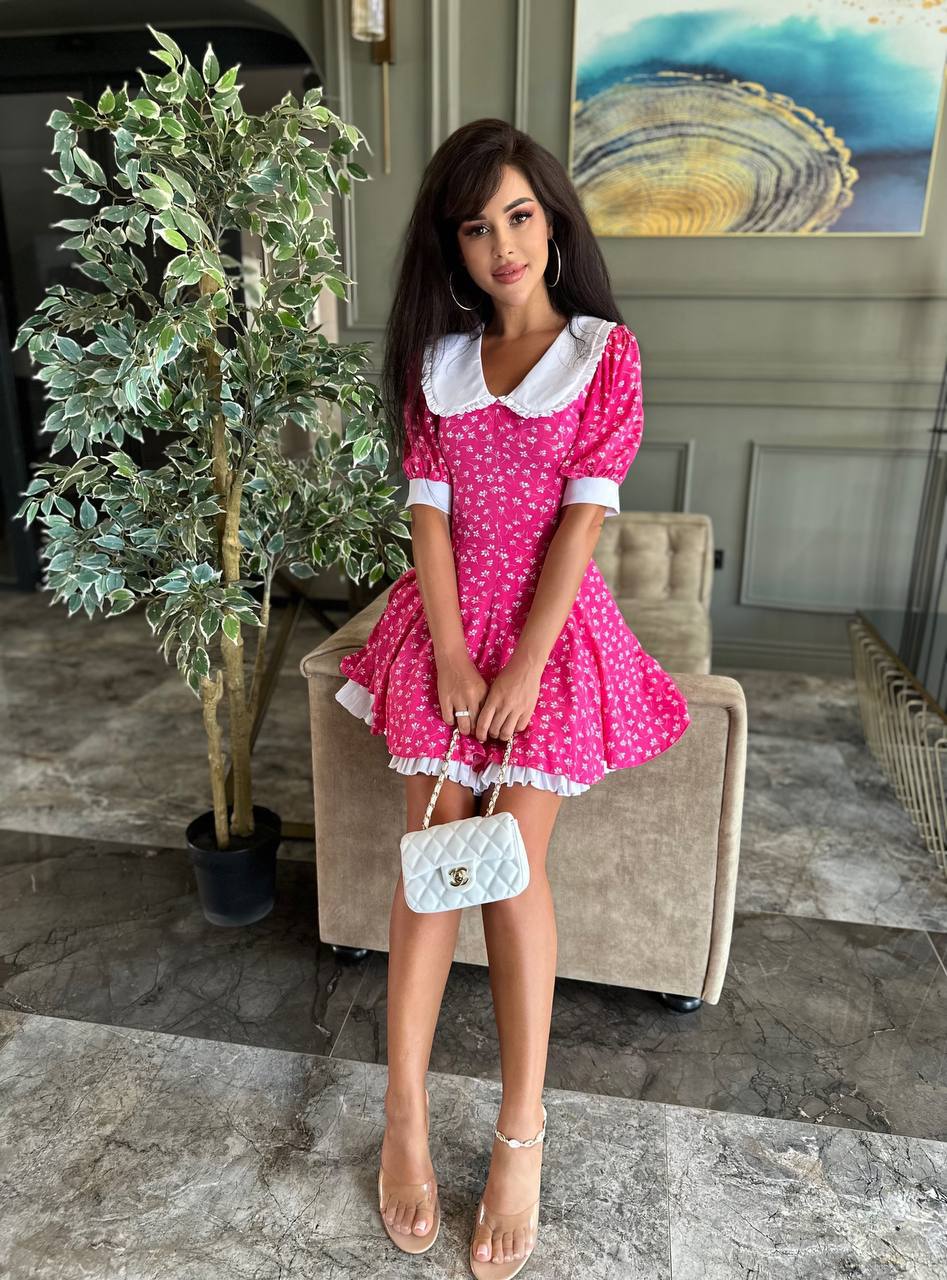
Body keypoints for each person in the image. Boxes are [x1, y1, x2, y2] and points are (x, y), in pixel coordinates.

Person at [334, 117, 691, 1278]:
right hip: (444, 628)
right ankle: (401, 1111)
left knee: (509, 866)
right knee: (430, 853)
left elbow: (581, 523)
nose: (501, 244)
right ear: (453, 243)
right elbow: (426, 513)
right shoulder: (435, 359)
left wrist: (525, 666)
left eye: (518, 216)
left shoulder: (604, 355)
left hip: (548, 631)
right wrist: (444, 651)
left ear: (551, 218)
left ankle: (519, 1132)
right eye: (476, 225)